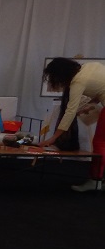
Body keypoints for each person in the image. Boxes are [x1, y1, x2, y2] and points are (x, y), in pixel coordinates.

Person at [37, 57, 105, 192]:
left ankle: (95, 181)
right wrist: (91, 105)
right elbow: (101, 88)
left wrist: (53, 138)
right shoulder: (91, 66)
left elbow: (70, 112)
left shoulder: (77, 81)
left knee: (100, 144)